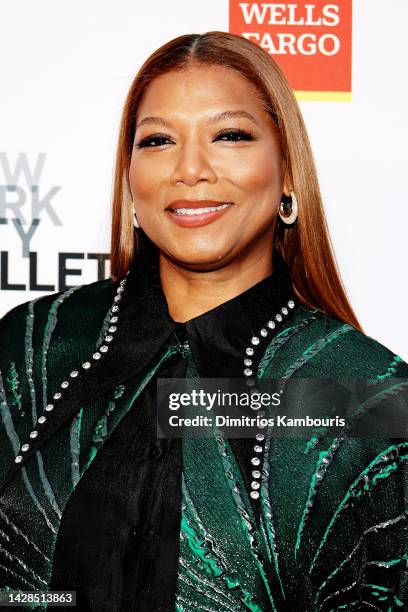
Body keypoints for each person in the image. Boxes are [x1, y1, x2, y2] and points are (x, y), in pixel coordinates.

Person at [0, 31, 407, 612]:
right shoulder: (35, 348)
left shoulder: (364, 392)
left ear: (288, 174)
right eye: (159, 140)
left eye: (230, 135)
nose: (190, 169)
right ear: (131, 181)